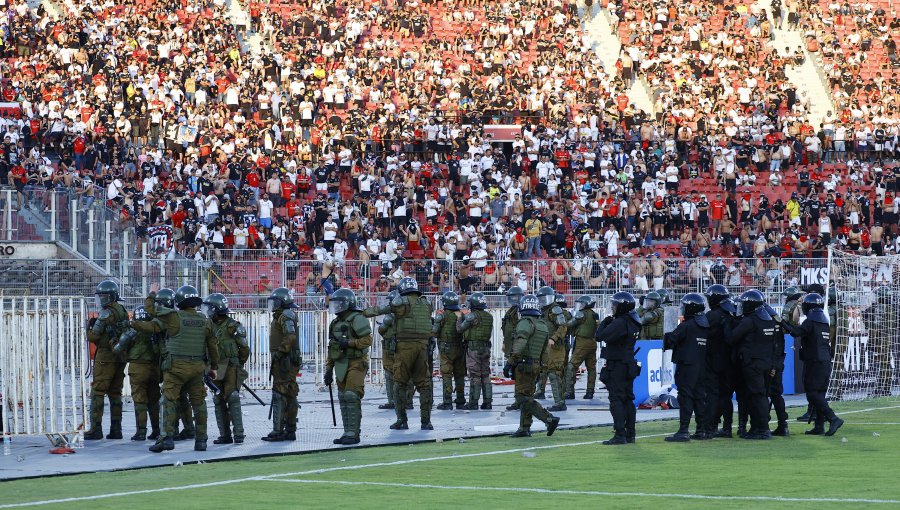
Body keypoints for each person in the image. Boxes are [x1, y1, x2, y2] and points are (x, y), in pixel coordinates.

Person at [133, 285, 219, 452]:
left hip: (175, 368)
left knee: (168, 401)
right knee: (199, 403)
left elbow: (150, 309)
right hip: (197, 368)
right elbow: (212, 347)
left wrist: (152, 293)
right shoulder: (205, 321)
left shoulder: (174, 317)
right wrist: (213, 367)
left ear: (178, 301)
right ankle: (201, 440)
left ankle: (166, 438)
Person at [366, 277, 434, 431]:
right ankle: (426, 422)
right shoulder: (426, 303)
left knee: (399, 384)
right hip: (422, 347)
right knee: (425, 385)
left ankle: (401, 420)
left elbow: (381, 310)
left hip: (405, 347)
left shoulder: (401, 301)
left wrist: (362, 313)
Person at [780, 293, 844, 436]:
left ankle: (833, 418)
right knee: (819, 392)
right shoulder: (824, 322)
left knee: (813, 393)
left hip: (814, 362)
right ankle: (819, 426)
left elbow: (796, 333)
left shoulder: (810, 322)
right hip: (825, 361)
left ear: (807, 306)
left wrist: (782, 322)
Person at [503, 294, 561, 438]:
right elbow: (545, 350)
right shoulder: (542, 325)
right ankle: (524, 428)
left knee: (522, 398)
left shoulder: (524, 323)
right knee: (527, 397)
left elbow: (520, 345)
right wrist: (541, 366)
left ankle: (549, 419)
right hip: (536, 365)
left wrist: (509, 362)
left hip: (524, 365)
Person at [727, 290, 778, 440]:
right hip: (767, 362)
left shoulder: (749, 321)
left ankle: (762, 429)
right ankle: (757, 427)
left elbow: (732, 338)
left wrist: (728, 324)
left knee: (757, 396)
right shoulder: (769, 319)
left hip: (753, 363)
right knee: (761, 395)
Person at [324, 289, 373, 445]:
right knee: (343, 397)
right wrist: (328, 370)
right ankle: (347, 432)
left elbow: (367, 341)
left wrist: (350, 343)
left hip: (356, 362)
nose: (336, 307)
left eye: (339, 304)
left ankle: (353, 433)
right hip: (340, 363)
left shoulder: (358, 319)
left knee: (351, 395)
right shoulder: (335, 323)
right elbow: (332, 347)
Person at [202, 293, 250, 445]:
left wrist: (237, 365)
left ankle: (239, 434)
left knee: (232, 397)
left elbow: (244, 349)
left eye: (209, 308)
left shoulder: (233, 326)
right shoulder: (207, 325)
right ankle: (225, 435)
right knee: (218, 399)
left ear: (216, 310)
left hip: (230, 366)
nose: (207, 311)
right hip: (214, 367)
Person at [85, 281, 130, 440]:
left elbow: (93, 336)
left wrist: (89, 327)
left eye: (103, 296)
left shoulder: (105, 313)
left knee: (97, 391)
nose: (100, 299)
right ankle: (116, 429)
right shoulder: (122, 310)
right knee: (115, 393)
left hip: (105, 356)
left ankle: (95, 429)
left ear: (109, 297)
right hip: (120, 355)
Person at [596, 291, 642, 445]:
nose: (613, 308)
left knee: (616, 399)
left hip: (617, 364)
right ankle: (630, 433)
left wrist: (605, 322)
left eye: (615, 305)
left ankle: (620, 434)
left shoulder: (620, 322)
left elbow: (600, 336)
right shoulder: (633, 321)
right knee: (628, 399)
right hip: (628, 363)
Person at [664, 293, 710, 442]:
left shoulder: (686, 325)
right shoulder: (705, 325)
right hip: (702, 366)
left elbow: (671, 340)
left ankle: (683, 430)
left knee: (685, 397)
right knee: (699, 397)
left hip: (687, 366)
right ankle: (701, 429)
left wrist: (668, 331)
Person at [153, 288, 196, 441]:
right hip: (184, 363)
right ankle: (189, 428)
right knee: (182, 398)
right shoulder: (177, 317)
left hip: (172, 363)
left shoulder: (168, 319)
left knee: (171, 398)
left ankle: (173, 430)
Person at [113, 306, 160, 441]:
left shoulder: (132, 331)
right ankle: (157, 430)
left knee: (140, 400)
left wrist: (113, 339)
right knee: (154, 401)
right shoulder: (155, 331)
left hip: (138, 368)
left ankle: (141, 431)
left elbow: (118, 349)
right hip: (155, 368)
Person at [262, 287, 301, 442]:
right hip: (287, 360)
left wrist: (280, 352)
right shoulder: (283, 315)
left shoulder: (285, 315)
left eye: (276, 301)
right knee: (290, 394)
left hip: (284, 360)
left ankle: (278, 431)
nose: (273, 305)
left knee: (279, 394)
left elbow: (290, 337)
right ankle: (290, 430)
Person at [702, 285, 737, 438]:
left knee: (712, 395)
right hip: (730, 361)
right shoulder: (732, 314)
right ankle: (727, 427)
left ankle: (710, 427)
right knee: (726, 396)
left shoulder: (711, 316)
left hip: (713, 361)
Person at [534, 286, 568, 411]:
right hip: (545, 348)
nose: (543, 301)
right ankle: (541, 391)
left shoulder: (555, 309)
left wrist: (553, 338)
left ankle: (559, 403)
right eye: (541, 299)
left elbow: (563, 327)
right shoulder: (543, 311)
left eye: (545, 299)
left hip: (556, 348)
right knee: (543, 371)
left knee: (554, 374)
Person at [457, 292, 494, 410]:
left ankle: (473, 403)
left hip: (473, 349)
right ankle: (488, 402)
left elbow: (460, 329)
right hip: (486, 348)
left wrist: (459, 318)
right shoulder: (489, 316)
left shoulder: (472, 316)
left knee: (475, 376)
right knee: (486, 375)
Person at [432, 291, 467, 410]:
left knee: (447, 374)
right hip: (459, 348)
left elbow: (435, 333)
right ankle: (461, 400)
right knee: (459, 375)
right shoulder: (460, 315)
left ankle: (447, 402)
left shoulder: (441, 315)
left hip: (446, 349)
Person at [565, 295, 599, 400]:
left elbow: (569, 324)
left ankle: (569, 392)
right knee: (591, 368)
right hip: (592, 342)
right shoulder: (594, 314)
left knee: (571, 366)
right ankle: (590, 391)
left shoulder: (582, 314)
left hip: (582, 342)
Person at [502, 286, 524, 411]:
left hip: (517, 348)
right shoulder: (512, 311)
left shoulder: (519, 311)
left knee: (520, 376)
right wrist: (505, 343)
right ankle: (518, 400)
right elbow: (507, 329)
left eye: (513, 297)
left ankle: (521, 401)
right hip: (511, 347)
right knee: (516, 375)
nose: (511, 299)